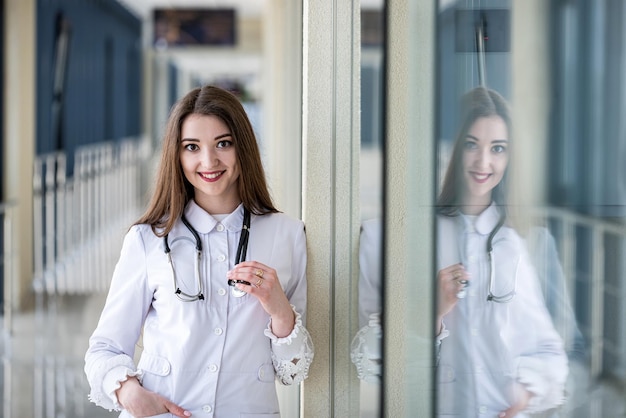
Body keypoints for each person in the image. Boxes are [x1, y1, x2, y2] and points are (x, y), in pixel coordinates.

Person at [84, 85, 314, 417]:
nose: (209, 161)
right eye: (192, 147)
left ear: (243, 148)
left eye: (223, 143)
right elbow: (104, 349)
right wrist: (130, 393)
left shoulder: (287, 235)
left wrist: (280, 311)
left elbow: (293, 371)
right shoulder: (147, 239)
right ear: (176, 155)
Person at [435, 87, 568, 417]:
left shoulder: (528, 242)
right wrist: (433, 312)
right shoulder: (422, 237)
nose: (484, 162)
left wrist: (525, 393)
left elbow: (558, 347)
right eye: (471, 145)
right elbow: (386, 361)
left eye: (498, 149)